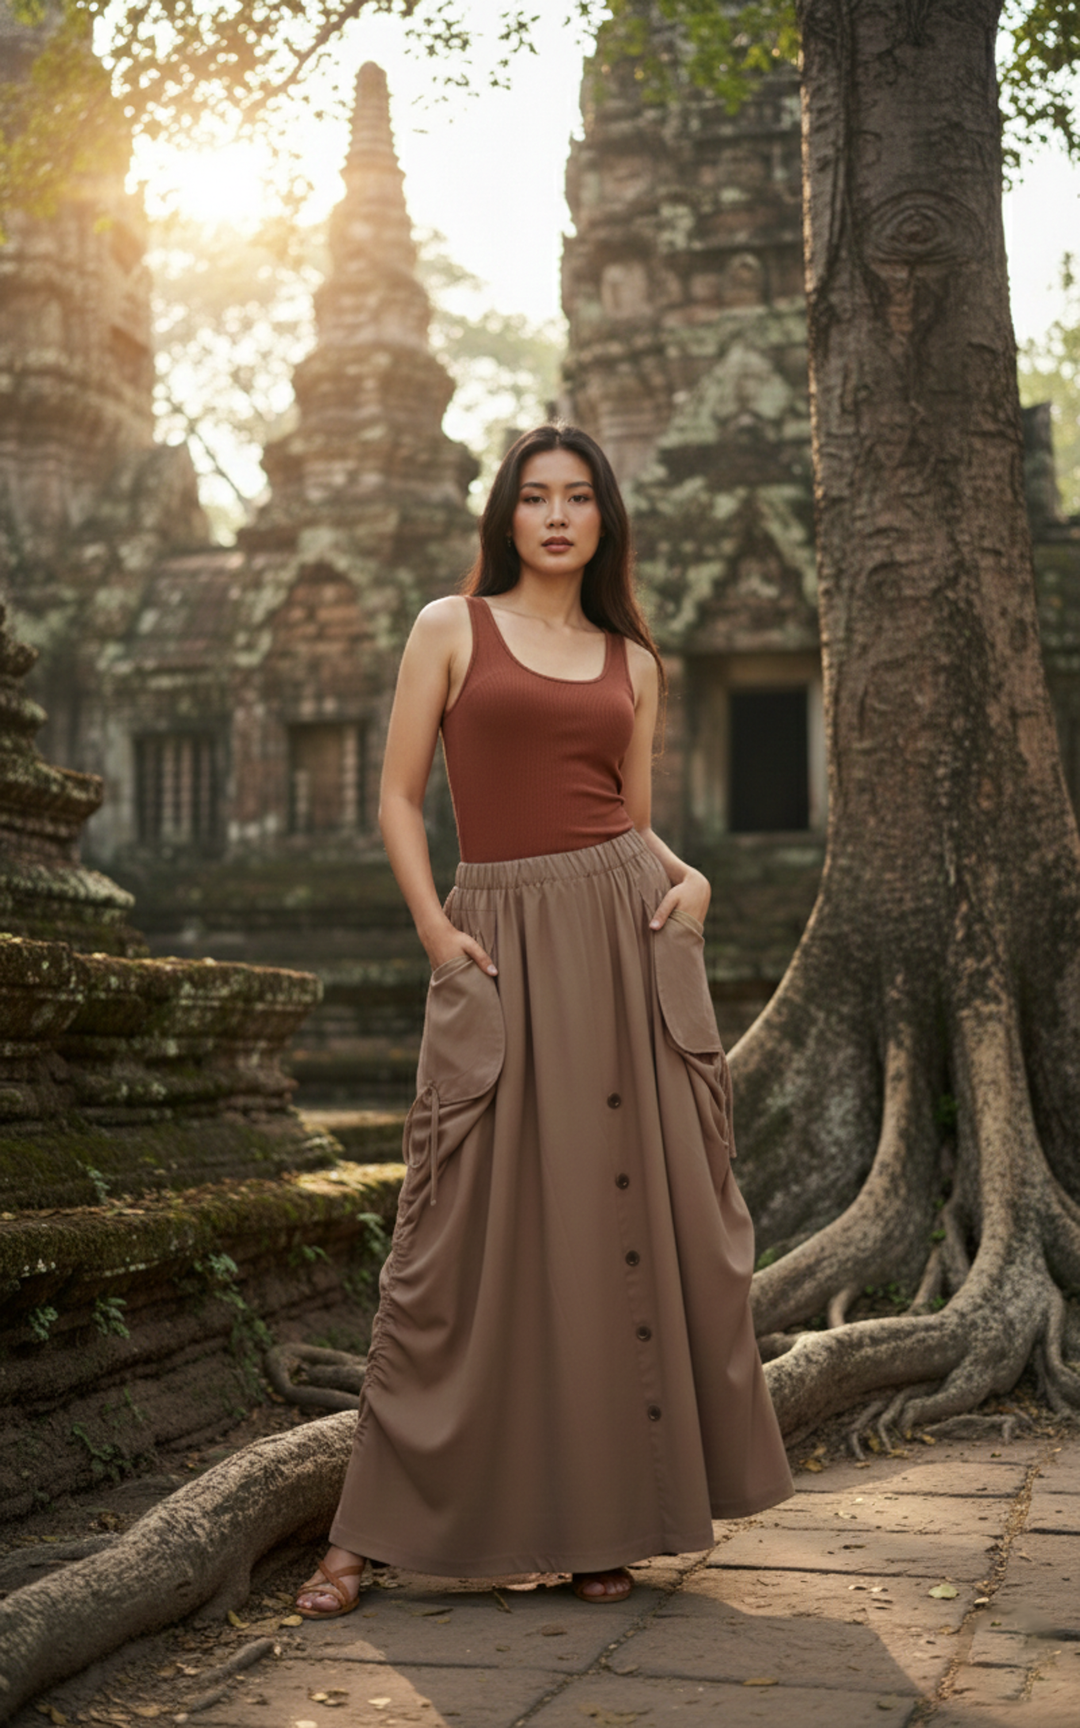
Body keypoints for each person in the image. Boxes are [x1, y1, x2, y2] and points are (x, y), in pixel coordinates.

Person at [295, 422, 793, 1615]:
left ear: (604, 518)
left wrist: (693, 878)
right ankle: (358, 1539)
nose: (558, 516)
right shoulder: (449, 627)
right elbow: (400, 797)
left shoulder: (634, 660)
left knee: (615, 1217)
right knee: (449, 1233)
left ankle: (605, 1521)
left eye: (578, 497)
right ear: (506, 516)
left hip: (625, 936)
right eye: (535, 497)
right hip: (499, 942)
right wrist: (434, 930)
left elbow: (626, 814)